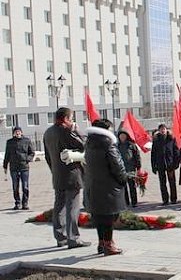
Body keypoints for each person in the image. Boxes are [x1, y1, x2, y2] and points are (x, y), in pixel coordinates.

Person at [43, 107, 89, 248]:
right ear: (66, 119)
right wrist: (76, 130)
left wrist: (54, 171)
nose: (73, 121)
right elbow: (84, 145)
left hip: (57, 175)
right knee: (72, 207)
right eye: (71, 118)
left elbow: (47, 156)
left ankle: (60, 237)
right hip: (72, 174)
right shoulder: (67, 131)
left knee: (59, 206)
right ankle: (73, 238)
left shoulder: (48, 132)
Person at [84, 119, 128, 255]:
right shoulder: (108, 143)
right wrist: (123, 179)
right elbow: (117, 165)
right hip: (109, 186)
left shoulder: (89, 143)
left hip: (93, 185)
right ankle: (109, 245)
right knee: (109, 217)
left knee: (98, 216)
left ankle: (101, 243)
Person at [3, 127, 35, 210]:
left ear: (21, 132)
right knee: (15, 186)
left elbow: (31, 153)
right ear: (14, 133)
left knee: (25, 186)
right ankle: (17, 203)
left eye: (19, 131)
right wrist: (5, 166)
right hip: (13, 168)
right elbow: (7, 155)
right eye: (16, 132)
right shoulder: (9, 142)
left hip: (24, 167)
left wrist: (27, 159)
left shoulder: (26, 141)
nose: (18, 133)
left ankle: (25, 203)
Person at [150, 124, 180, 205]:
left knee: (172, 182)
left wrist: (176, 163)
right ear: (158, 131)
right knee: (162, 183)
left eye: (164, 129)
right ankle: (165, 200)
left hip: (170, 164)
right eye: (161, 129)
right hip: (160, 165)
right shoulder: (156, 140)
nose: (162, 130)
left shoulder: (171, 139)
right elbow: (153, 154)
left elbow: (176, 151)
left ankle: (174, 199)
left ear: (166, 130)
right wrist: (153, 166)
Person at [117, 130, 141, 207]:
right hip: (121, 169)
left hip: (131, 168)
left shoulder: (131, 145)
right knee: (123, 187)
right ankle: (125, 202)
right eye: (121, 136)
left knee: (132, 186)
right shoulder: (117, 146)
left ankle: (134, 202)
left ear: (127, 136)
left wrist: (138, 167)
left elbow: (137, 156)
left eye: (124, 135)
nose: (122, 137)